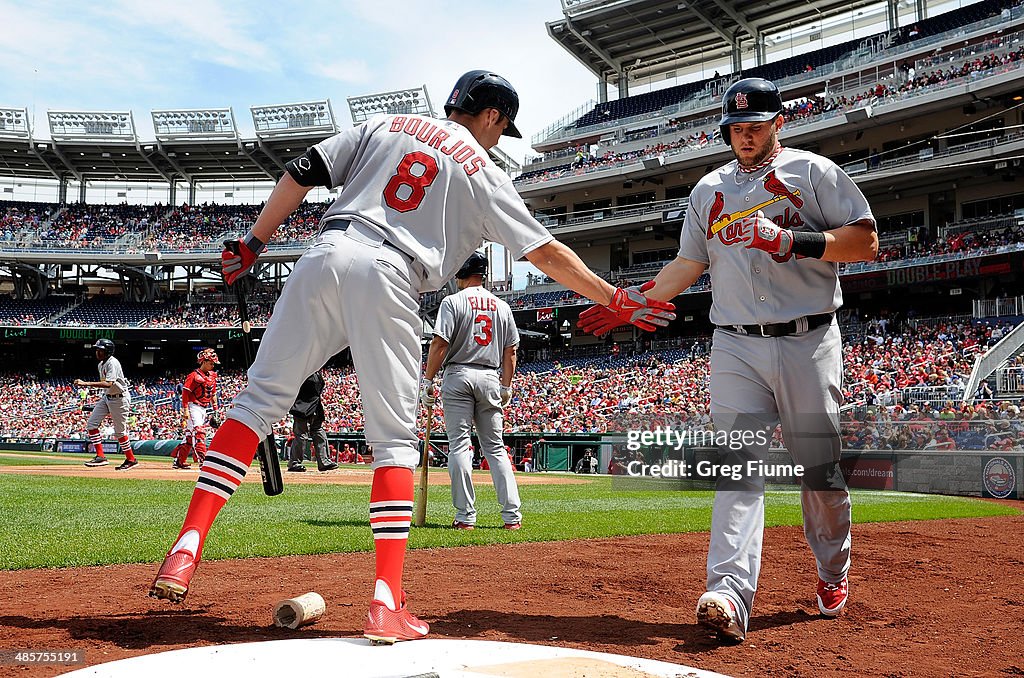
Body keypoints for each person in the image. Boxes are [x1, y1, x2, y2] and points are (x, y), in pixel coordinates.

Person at [147, 69, 674, 644]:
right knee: (394, 439)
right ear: (492, 116)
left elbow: (300, 172)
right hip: (392, 273)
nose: (500, 137)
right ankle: (384, 601)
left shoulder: (384, 124)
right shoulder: (485, 170)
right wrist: (615, 297)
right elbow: (545, 252)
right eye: (503, 126)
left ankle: (186, 547)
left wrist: (253, 241)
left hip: (321, 255)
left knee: (256, 404)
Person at [579, 77, 877, 642]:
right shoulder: (707, 190)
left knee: (820, 472)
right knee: (737, 468)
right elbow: (688, 265)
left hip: (809, 338)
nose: (744, 136)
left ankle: (832, 569)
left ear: (778, 123)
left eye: (755, 126)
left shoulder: (813, 174)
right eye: (735, 128)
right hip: (735, 343)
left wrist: (792, 242)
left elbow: (865, 242)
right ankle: (729, 594)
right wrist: (630, 302)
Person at [424, 251, 522, 531]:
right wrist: (506, 384)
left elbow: (440, 344)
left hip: (459, 373)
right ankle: (511, 517)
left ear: (462, 273)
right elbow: (510, 350)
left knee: (459, 445)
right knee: (495, 448)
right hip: (490, 376)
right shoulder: (502, 306)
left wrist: (428, 380)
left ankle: (466, 516)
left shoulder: (452, 302)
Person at [76, 338, 137, 470]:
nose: (97, 352)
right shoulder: (101, 365)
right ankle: (100, 457)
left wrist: (86, 383)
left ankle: (131, 459)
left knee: (120, 432)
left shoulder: (112, 363)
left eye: (100, 350)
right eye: (97, 350)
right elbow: (107, 386)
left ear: (108, 351)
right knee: (91, 424)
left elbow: (109, 383)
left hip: (120, 398)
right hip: (107, 397)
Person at [173, 348, 219, 470]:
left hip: (204, 408)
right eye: (211, 363)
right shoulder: (193, 376)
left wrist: (215, 410)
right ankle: (203, 461)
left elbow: (213, 393)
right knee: (199, 432)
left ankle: (179, 461)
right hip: (193, 406)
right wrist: (185, 410)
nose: (213, 365)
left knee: (189, 436)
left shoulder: (213, 376)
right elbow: (185, 393)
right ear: (204, 361)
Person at [287, 370, 339, 473]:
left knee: (319, 434)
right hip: (302, 407)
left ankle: (324, 462)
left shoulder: (315, 373)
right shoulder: (302, 372)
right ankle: (294, 463)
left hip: (315, 407)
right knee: (301, 436)